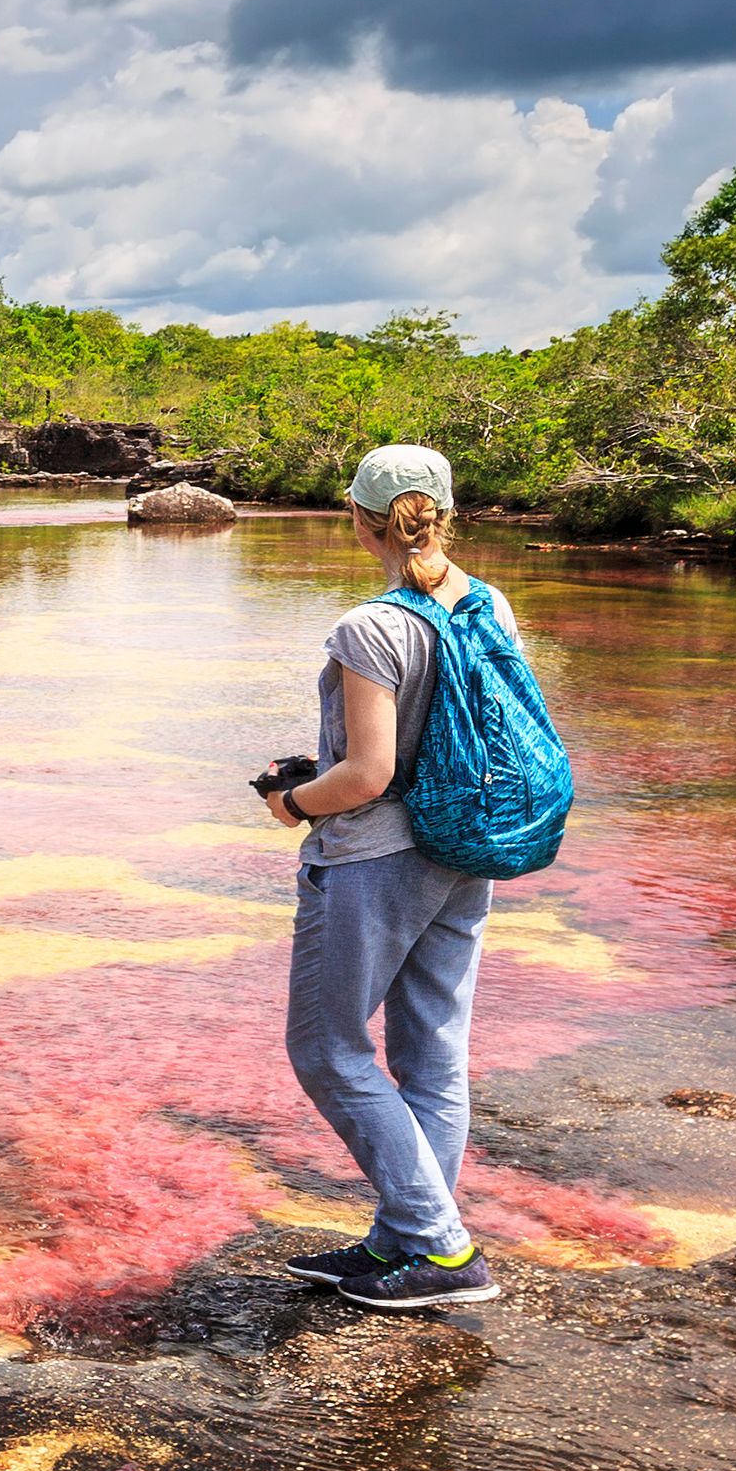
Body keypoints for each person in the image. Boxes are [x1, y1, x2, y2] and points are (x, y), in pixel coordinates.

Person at [263, 443, 505, 1311]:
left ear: (358, 517)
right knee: (432, 1054)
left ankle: (442, 1249)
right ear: (442, 510)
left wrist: (293, 801)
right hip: (465, 847)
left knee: (327, 1050)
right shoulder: (487, 604)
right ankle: (402, 1241)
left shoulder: (371, 627)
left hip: (374, 857)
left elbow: (365, 777)